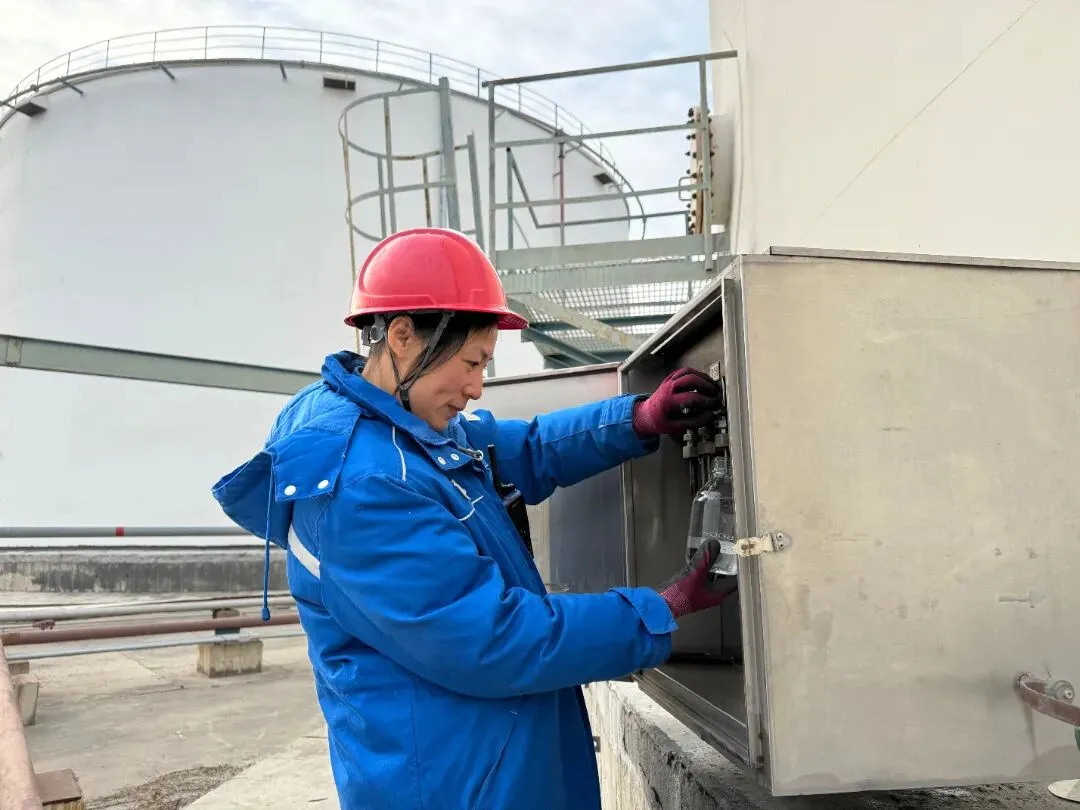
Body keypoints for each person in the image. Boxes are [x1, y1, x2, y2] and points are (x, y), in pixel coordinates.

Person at [211, 227, 734, 810]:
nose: (477, 388)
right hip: (459, 779)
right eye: (470, 362)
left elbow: (520, 449)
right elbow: (493, 640)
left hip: (482, 752)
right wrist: (662, 609)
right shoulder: (366, 486)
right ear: (403, 337)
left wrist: (637, 420)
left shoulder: (388, 418)